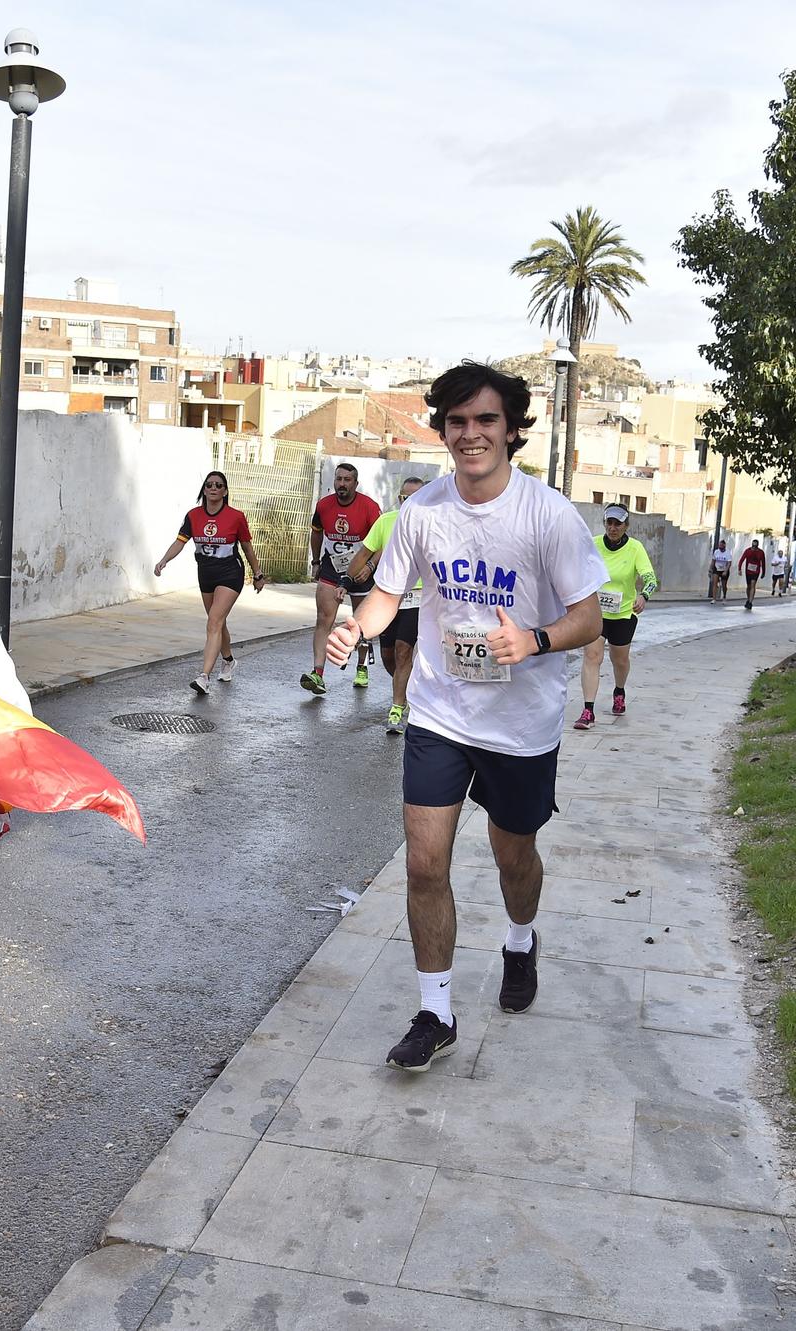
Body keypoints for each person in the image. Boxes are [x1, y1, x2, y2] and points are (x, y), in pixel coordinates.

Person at [325, 363, 605, 1071]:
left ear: (511, 429)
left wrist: (534, 640)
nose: (471, 433)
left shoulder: (548, 515)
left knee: (514, 857)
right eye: (457, 421)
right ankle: (435, 1009)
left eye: (485, 420)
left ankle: (520, 938)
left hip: (522, 722)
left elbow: (589, 617)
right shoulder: (423, 512)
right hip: (441, 711)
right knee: (424, 863)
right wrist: (357, 627)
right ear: (442, 429)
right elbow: (389, 594)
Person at [154, 471, 268, 694]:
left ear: (225, 491)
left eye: (218, 485)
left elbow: (246, 547)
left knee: (214, 621)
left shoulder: (236, 516)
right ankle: (228, 660)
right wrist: (163, 560)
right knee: (218, 621)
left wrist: (257, 573)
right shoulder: (193, 516)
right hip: (206, 573)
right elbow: (180, 542)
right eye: (209, 485)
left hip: (230, 572)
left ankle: (203, 676)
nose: (213, 488)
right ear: (204, 490)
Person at [348, 474, 426, 735]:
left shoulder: (432, 525)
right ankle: (405, 691)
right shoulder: (386, 522)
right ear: (399, 499)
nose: (410, 503)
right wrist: (344, 581)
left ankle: (396, 708)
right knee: (388, 656)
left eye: (416, 498)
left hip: (418, 596)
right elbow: (365, 552)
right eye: (406, 498)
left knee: (404, 651)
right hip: (389, 597)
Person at [301, 463, 383, 696]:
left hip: (361, 572)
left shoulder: (369, 507)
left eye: (347, 480)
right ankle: (318, 673)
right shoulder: (324, 506)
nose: (342, 484)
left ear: (355, 484)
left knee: (362, 624)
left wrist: (369, 566)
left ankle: (362, 667)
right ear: (334, 481)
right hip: (332, 568)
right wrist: (315, 561)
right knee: (323, 620)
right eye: (339, 479)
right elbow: (316, 532)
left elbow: (382, 541)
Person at [575, 503, 657, 730]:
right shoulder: (593, 544)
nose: (612, 528)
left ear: (626, 525)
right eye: (609, 523)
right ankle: (588, 711)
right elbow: (577, 571)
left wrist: (644, 597)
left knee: (619, 660)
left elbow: (651, 579)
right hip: (595, 613)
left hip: (623, 614)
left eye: (618, 524)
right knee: (592, 656)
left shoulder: (635, 548)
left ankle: (619, 690)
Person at [739, 538, 766, 610]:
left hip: (756, 571)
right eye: (753, 546)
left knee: (753, 585)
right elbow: (742, 559)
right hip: (748, 571)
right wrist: (739, 569)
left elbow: (763, 562)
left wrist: (763, 572)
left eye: (755, 546)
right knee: (748, 586)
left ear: (757, 546)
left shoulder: (761, 552)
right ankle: (748, 599)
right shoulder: (748, 551)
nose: (754, 547)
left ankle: (750, 602)